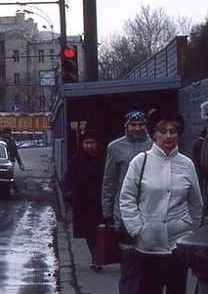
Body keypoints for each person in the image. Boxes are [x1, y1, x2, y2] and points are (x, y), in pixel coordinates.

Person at [118, 108, 202, 294]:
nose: (168, 136)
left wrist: (192, 229)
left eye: (173, 131)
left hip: (178, 242)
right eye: (163, 131)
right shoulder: (141, 161)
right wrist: (138, 228)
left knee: (177, 289)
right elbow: (127, 198)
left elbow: (195, 203)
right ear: (153, 134)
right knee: (149, 288)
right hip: (149, 243)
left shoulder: (186, 164)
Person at [102, 105, 153, 294]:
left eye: (141, 124)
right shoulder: (115, 147)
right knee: (129, 258)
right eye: (133, 124)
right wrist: (107, 212)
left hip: (151, 209)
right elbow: (109, 181)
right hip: (123, 210)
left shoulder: (155, 145)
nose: (137, 128)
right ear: (126, 126)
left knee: (149, 260)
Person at [64, 129, 106, 272]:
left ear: (97, 143)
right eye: (86, 143)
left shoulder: (105, 157)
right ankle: (94, 256)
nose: (89, 146)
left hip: (101, 199)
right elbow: (69, 177)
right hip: (83, 201)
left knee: (100, 230)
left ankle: (100, 255)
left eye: (92, 143)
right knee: (89, 232)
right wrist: (69, 192)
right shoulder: (76, 159)